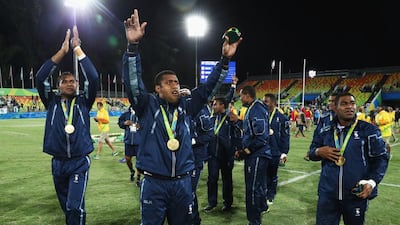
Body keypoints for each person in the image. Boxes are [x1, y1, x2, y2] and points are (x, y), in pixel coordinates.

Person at [121, 9, 242, 225]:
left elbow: (209, 87)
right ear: (157, 88)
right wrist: (132, 49)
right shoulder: (147, 105)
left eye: (176, 82)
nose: (175, 85)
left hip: (183, 183)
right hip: (154, 183)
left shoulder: (188, 106)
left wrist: (224, 60)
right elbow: (132, 83)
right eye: (169, 82)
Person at [35, 26, 99, 225]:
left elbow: (93, 77)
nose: (70, 84)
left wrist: (77, 50)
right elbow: (40, 77)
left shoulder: (83, 102)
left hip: (79, 161)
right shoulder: (50, 101)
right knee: (70, 208)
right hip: (58, 163)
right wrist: (62, 52)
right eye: (65, 81)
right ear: (59, 85)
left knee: (73, 207)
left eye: (73, 81)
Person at [307, 92, 389, 225]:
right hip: (328, 195)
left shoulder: (369, 130)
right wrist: (318, 151)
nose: (349, 107)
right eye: (344, 104)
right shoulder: (326, 130)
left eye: (352, 103)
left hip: (355, 194)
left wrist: (372, 182)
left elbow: (381, 159)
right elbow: (311, 152)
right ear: (335, 107)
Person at [235, 85, 271, 225]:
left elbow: (261, 136)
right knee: (259, 185)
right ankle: (262, 206)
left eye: (241, 95)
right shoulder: (253, 108)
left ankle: (254, 221)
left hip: (257, 154)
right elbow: (251, 130)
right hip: (258, 154)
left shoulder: (257, 108)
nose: (240, 98)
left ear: (247, 95)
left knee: (252, 188)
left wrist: (247, 150)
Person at [263, 93, 290, 205]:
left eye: (266, 101)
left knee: (272, 175)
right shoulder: (262, 115)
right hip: (262, 150)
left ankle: (270, 195)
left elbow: (286, 136)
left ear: (273, 103)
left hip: (275, 151)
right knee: (262, 174)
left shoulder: (282, 118)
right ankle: (263, 193)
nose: (264, 104)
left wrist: (284, 152)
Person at [117, 106, 141, 185]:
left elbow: (148, 124)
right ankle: (132, 171)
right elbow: (120, 122)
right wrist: (124, 123)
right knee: (128, 159)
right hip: (128, 140)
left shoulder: (142, 113)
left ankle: (138, 178)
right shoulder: (126, 114)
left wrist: (141, 126)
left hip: (139, 141)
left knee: (139, 161)